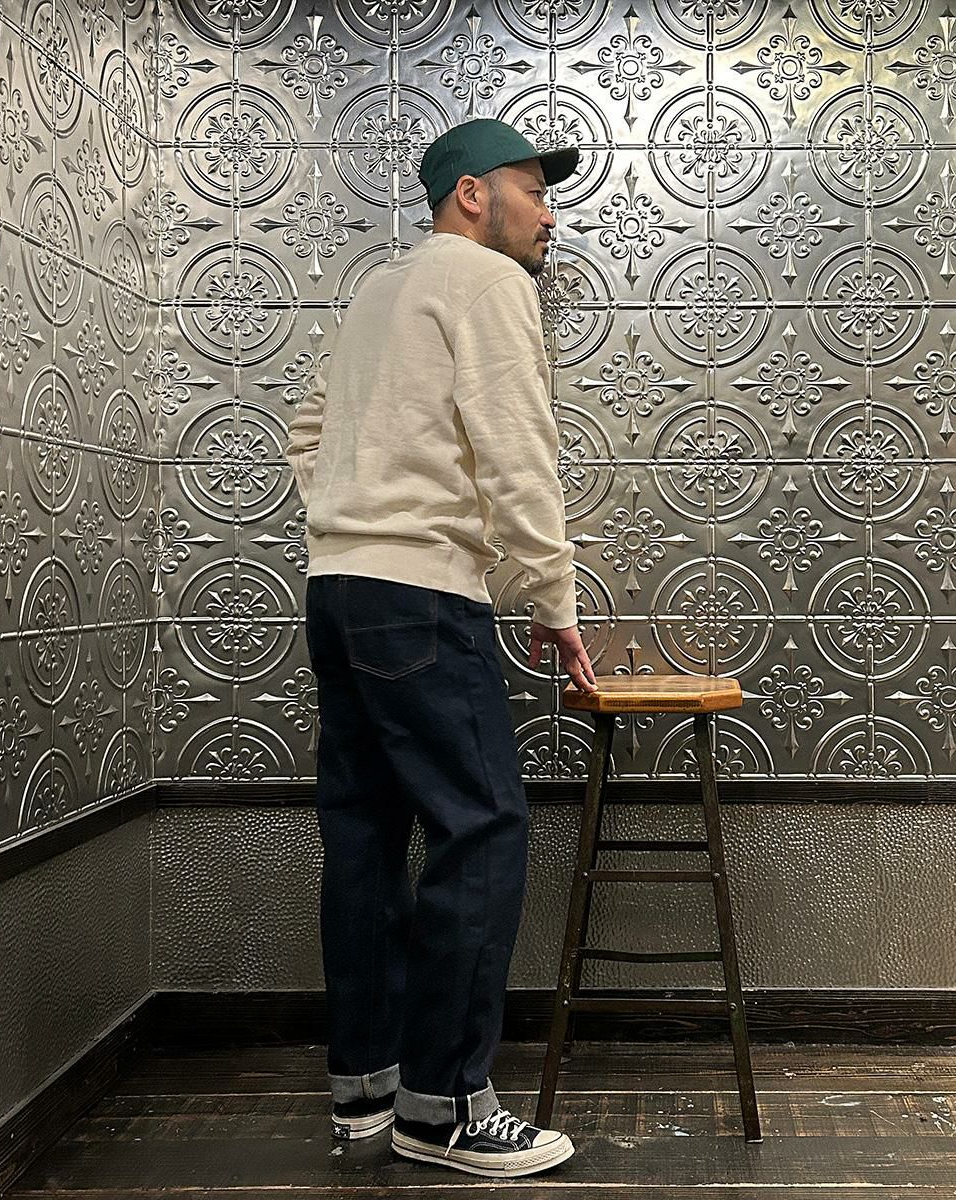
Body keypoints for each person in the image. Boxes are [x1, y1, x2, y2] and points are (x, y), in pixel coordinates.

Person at [283, 118, 598, 1180]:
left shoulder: (378, 291)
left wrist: (351, 515)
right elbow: (519, 445)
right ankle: (447, 1109)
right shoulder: (485, 278)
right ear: (472, 194)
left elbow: (307, 430)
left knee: (365, 836)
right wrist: (552, 598)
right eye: (533, 190)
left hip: (338, 590)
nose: (548, 215)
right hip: (419, 596)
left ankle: (366, 1095)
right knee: (483, 827)